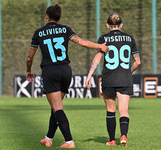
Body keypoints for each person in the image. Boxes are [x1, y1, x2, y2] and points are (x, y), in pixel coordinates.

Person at [26, 4, 109, 149]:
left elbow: (29, 58)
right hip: (65, 70)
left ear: (46, 16)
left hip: (50, 71)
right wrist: (99, 46)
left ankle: (69, 141)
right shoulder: (65, 29)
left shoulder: (39, 33)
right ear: (59, 17)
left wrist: (28, 70)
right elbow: (82, 42)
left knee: (57, 108)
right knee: (55, 108)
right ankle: (48, 138)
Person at [85, 13, 141, 147]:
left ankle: (112, 140)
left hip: (109, 78)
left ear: (107, 25)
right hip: (124, 79)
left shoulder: (103, 38)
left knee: (111, 110)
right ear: (121, 25)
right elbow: (137, 62)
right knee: (124, 110)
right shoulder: (129, 38)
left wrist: (89, 75)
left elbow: (97, 60)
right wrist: (128, 72)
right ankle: (123, 135)